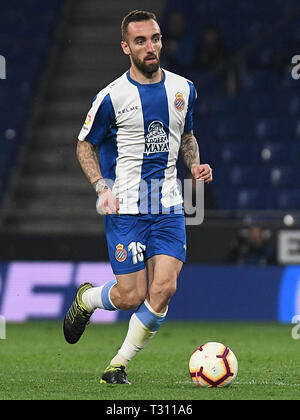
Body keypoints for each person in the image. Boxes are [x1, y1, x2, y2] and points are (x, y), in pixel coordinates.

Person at [63, 9, 212, 385]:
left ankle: (117, 365)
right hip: (126, 208)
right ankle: (88, 300)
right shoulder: (112, 97)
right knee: (131, 295)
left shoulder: (184, 89)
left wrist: (194, 165)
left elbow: (187, 137)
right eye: (141, 41)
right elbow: (84, 146)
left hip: (169, 206)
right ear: (125, 47)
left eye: (156, 38)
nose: (150, 47)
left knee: (163, 289)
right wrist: (101, 187)